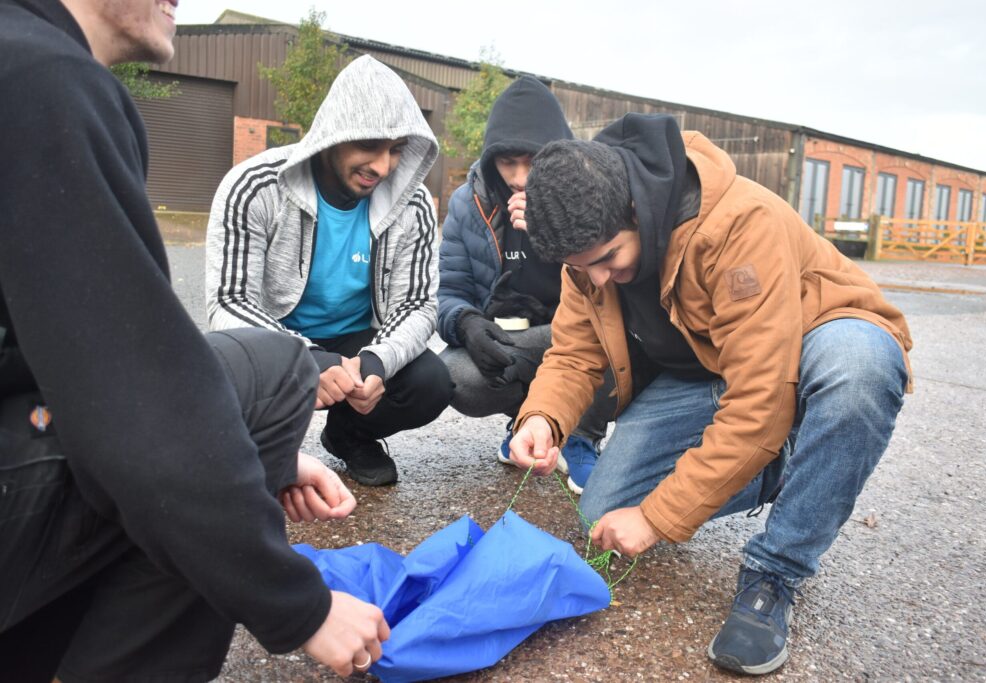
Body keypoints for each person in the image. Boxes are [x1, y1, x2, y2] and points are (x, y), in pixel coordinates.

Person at [0, 0, 389, 679]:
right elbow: (142, 396)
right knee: (273, 372)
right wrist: (301, 607)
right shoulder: (41, 81)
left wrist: (239, 444)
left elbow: (63, 353)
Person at [509, 114, 913, 675]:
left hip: (813, 336)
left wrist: (655, 519)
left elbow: (759, 401)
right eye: (583, 269)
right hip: (709, 367)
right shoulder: (586, 247)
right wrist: (543, 420)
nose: (597, 279)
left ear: (636, 212)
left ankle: (776, 570)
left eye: (607, 260)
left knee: (859, 369)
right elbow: (575, 353)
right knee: (603, 516)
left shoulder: (740, 223)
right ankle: (784, 467)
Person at [206, 55, 452, 487]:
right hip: (273, 338)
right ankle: (263, 443)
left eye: (395, 150)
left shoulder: (413, 206)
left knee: (429, 382)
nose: (382, 166)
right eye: (369, 146)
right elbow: (229, 301)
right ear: (333, 135)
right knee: (219, 391)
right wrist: (306, 358)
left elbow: (417, 304)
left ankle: (347, 435)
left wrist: (377, 361)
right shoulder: (255, 185)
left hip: (355, 342)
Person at [436, 76, 615, 493]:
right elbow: (450, 293)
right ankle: (529, 427)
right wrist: (466, 323)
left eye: (532, 162)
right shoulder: (468, 202)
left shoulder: (591, 193)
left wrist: (553, 229)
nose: (519, 178)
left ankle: (582, 436)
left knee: (611, 334)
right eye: (508, 163)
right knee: (454, 375)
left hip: (576, 333)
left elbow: (613, 289)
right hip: (513, 333)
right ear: (491, 159)